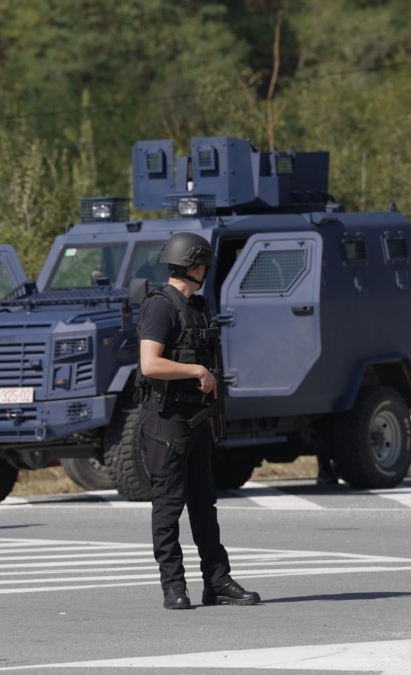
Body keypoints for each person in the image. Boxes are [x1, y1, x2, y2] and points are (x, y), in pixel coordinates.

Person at [135, 231, 260, 610]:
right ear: (195, 266)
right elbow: (150, 363)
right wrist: (195, 371)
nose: (206, 270)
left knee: (205, 505)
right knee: (168, 507)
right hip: (166, 422)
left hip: (195, 419)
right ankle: (173, 586)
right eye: (204, 264)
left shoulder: (198, 306)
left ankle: (217, 581)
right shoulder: (161, 306)